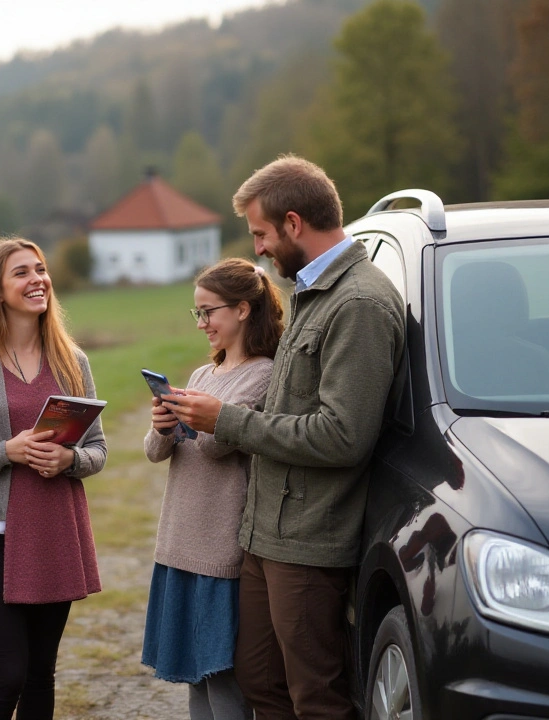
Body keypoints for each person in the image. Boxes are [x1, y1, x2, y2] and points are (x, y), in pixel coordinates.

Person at [161, 155, 405, 720]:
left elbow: (343, 435)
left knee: (314, 697)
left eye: (262, 234)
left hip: (310, 539)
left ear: (294, 223)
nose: (260, 249)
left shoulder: (360, 303)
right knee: (260, 685)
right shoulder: (313, 293)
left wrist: (226, 419)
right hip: (264, 535)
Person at [0, 237, 107, 720]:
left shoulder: (73, 362)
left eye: (40, 269)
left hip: (56, 529)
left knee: (40, 673)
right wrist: (6, 452)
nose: (37, 279)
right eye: (21, 272)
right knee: (7, 673)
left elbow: (97, 450)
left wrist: (68, 462)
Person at [142, 258, 282, 720]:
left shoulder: (263, 374)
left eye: (209, 312)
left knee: (223, 678)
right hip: (179, 544)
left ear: (242, 310)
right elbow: (155, 453)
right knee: (195, 680)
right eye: (196, 314)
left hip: (219, 553)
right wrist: (163, 423)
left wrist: (195, 418)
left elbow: (217, 447)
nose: (202, 323)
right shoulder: (204, 377)